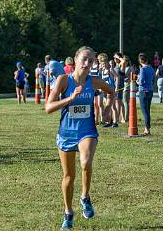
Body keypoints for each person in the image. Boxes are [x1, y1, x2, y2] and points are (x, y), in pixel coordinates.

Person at [45, 46, 115, 230]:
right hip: (66, 133)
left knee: (85, 162)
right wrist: (70, 98)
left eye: (91, 61)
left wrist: (107, 109)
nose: (87, 63)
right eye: (84, 59)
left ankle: (85, 197)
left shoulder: (94, 82)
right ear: (75, 59)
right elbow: (48, 107)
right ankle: (68, 212)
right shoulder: (63, 80)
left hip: (87, 131)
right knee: (69, 176)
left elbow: (112, 91)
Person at [98, 53, 119, 127]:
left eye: (104, 64)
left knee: (113, 106)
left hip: (111, 90)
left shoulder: (110, 70)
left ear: (107, 63)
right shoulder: (102, 71)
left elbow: (117, 77)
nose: (103, 66)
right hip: (105, 91)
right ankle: (109, 121)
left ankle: (115, 122)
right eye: (102, 64)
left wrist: (116, 88)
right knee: (107, 106)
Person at [137, 53, 155, 135]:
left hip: (143, 91)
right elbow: (153, 80)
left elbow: (141, 82)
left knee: (145, 111)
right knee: (147, 110)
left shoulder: (142, 69)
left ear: (140, 61)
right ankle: (146, 128)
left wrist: (136, 81)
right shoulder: (151, 68)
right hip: (150, 90)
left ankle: (147, 129)